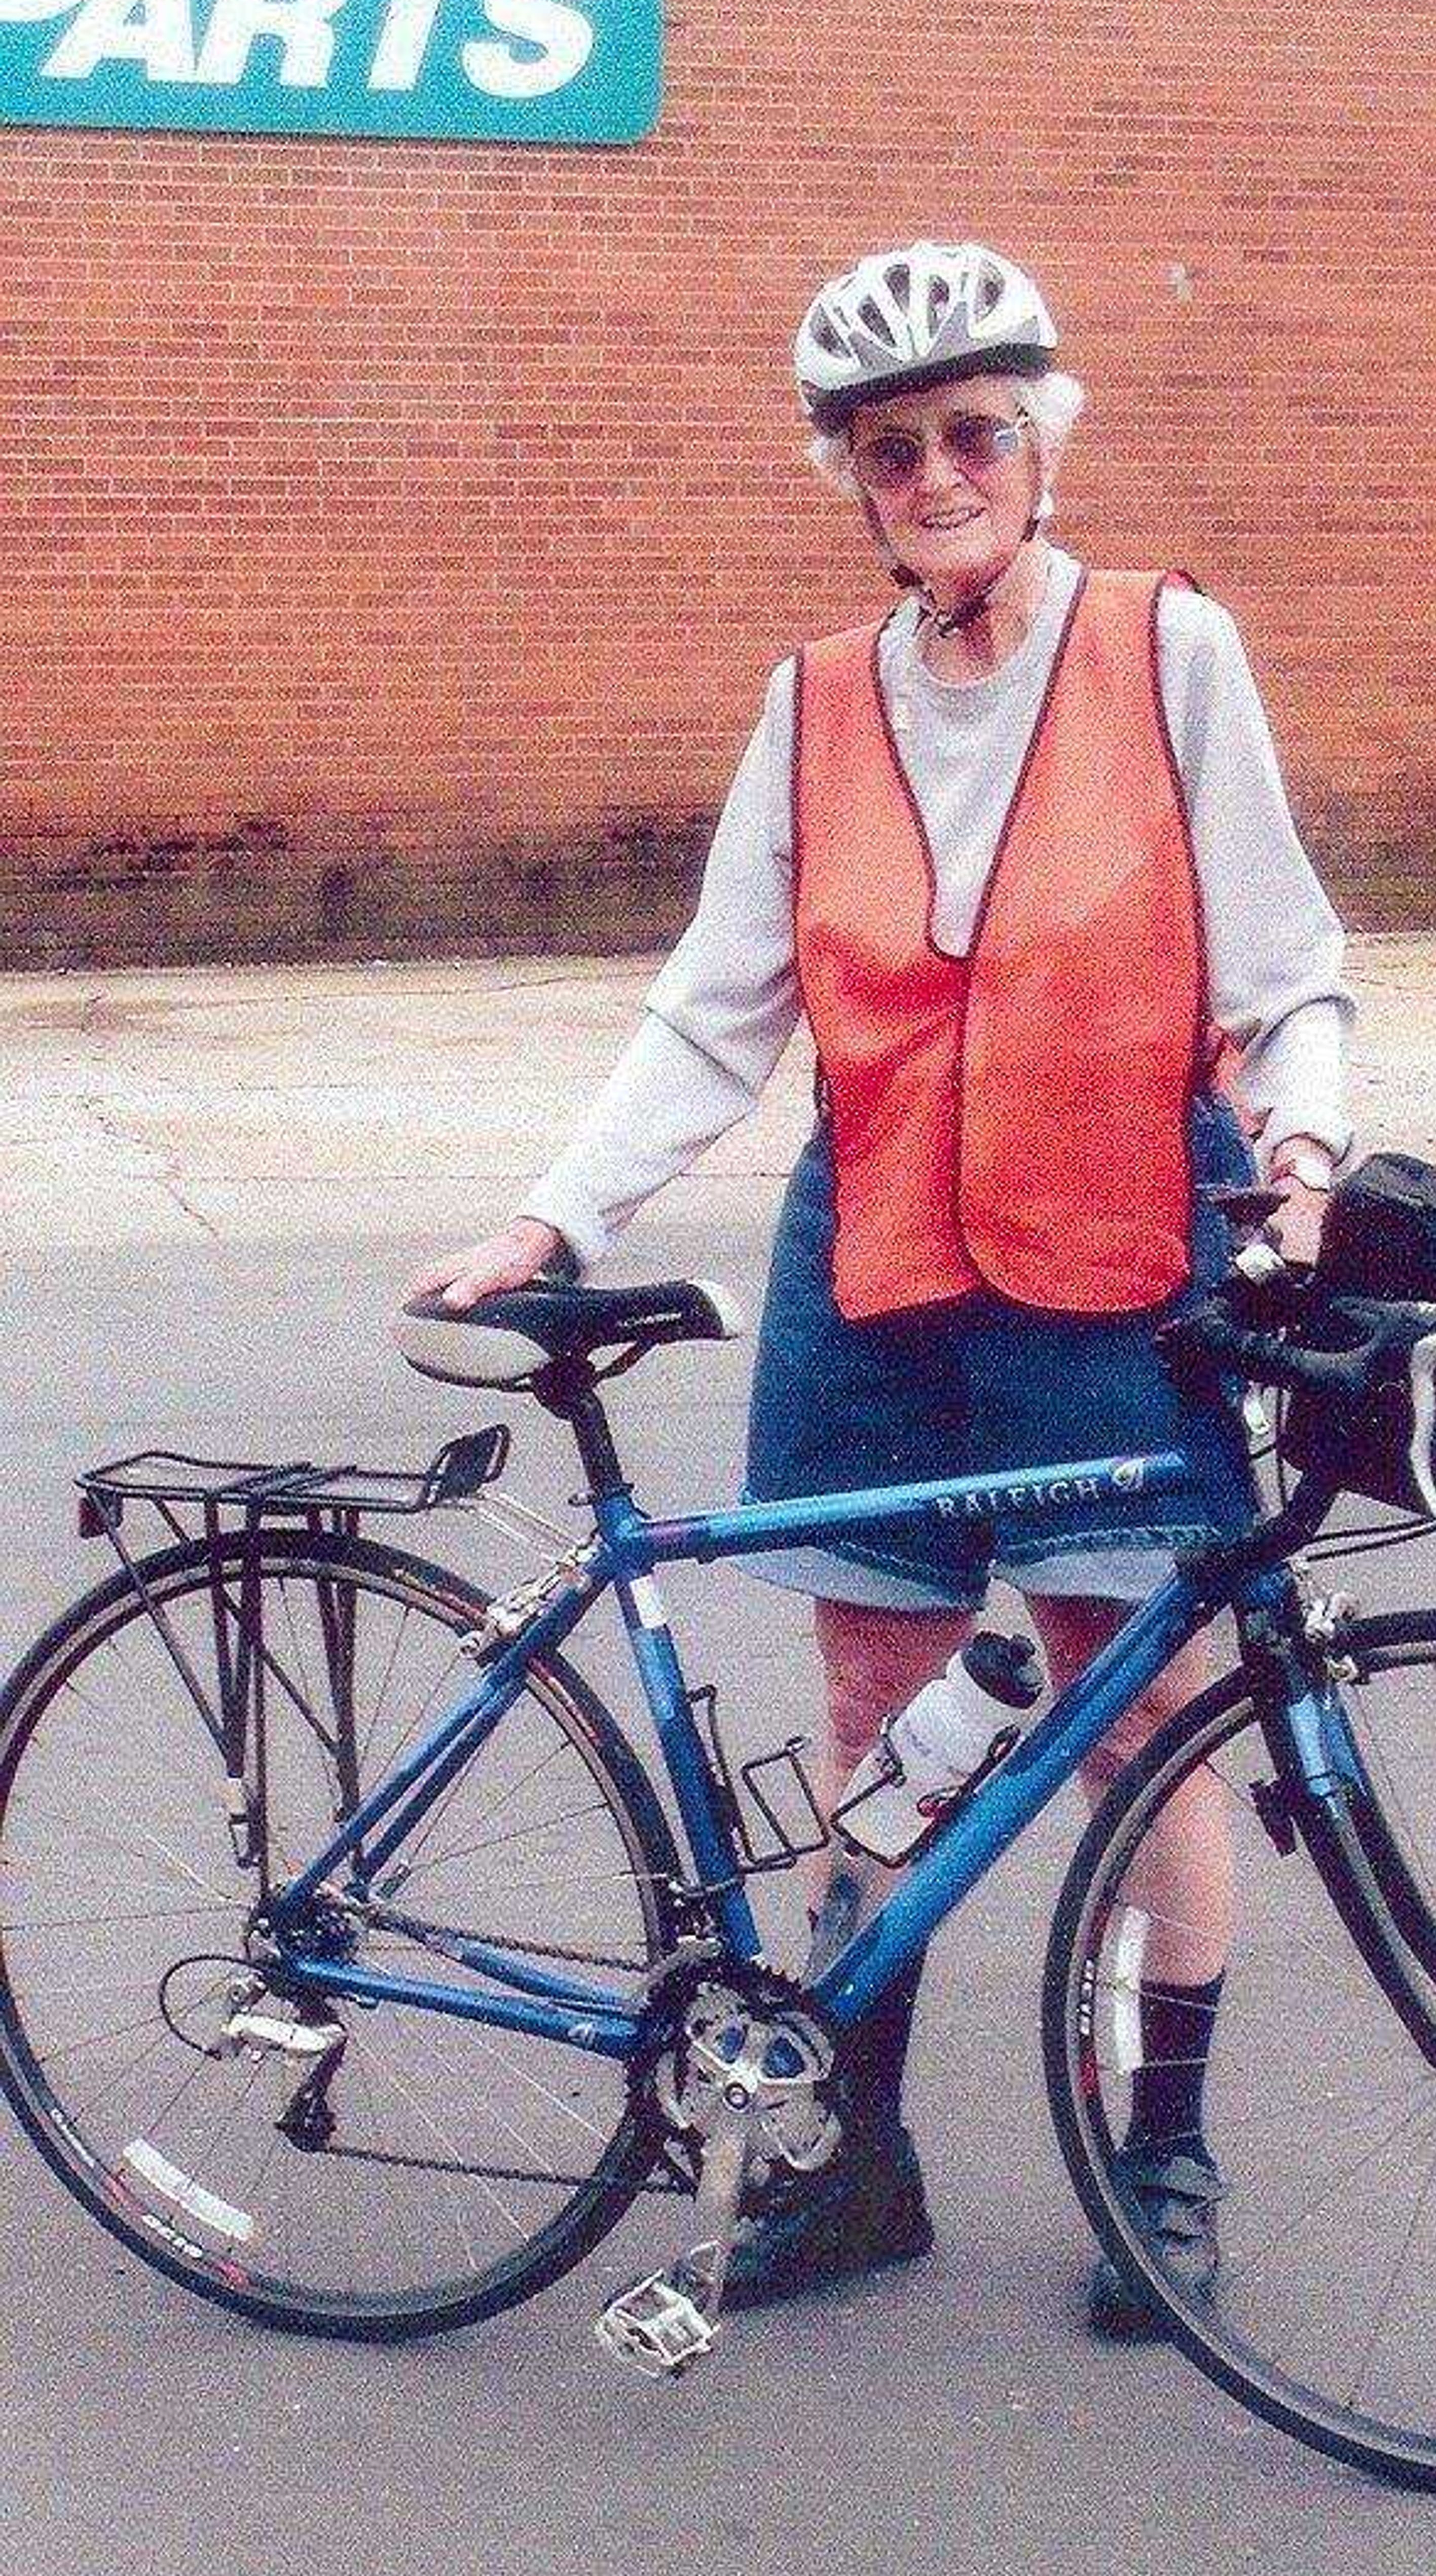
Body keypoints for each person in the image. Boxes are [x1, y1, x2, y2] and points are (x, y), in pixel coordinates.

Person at [411, 240, 1353, 2332]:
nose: (934, 473)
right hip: (875, 1264)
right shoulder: (815, 699)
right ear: (851, 474)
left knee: (1143, 1726)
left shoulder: (1164, 649)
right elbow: (712, 1008)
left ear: (1039, 443)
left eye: (970, 434)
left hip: (1118, 1260)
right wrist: (558, 1217)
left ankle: (1158, 2148)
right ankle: (858, 2168)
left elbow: (1285, 970)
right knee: (876, 1720)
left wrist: (1297, 1165)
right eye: (891, 446)